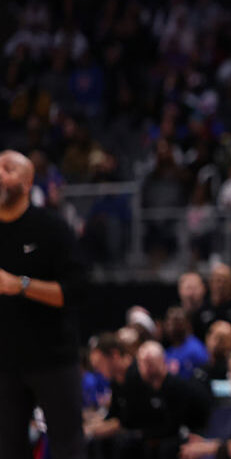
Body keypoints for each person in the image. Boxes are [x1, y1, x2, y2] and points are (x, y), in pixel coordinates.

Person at [0, 150, 87, 459]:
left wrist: (20, 285)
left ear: (27, 182)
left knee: (67, 447)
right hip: (5, 363)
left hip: (53, 360)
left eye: (7, 168)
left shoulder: (51, 228)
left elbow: (76, 291)